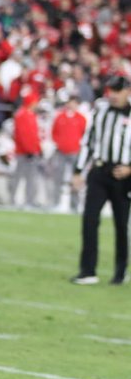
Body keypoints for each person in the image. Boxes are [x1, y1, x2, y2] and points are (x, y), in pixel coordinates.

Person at [71, 76, 131, 286]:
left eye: (117, 90)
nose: (113, 95)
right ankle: (87, 270)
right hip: (99, 170)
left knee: (121, 225)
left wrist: (130, 168)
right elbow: (88, 142)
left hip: (123, 176)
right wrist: (78, 171)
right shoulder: (101, 111)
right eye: (110, 90)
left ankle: (120, 271)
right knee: (89, 219)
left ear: (127, 91)